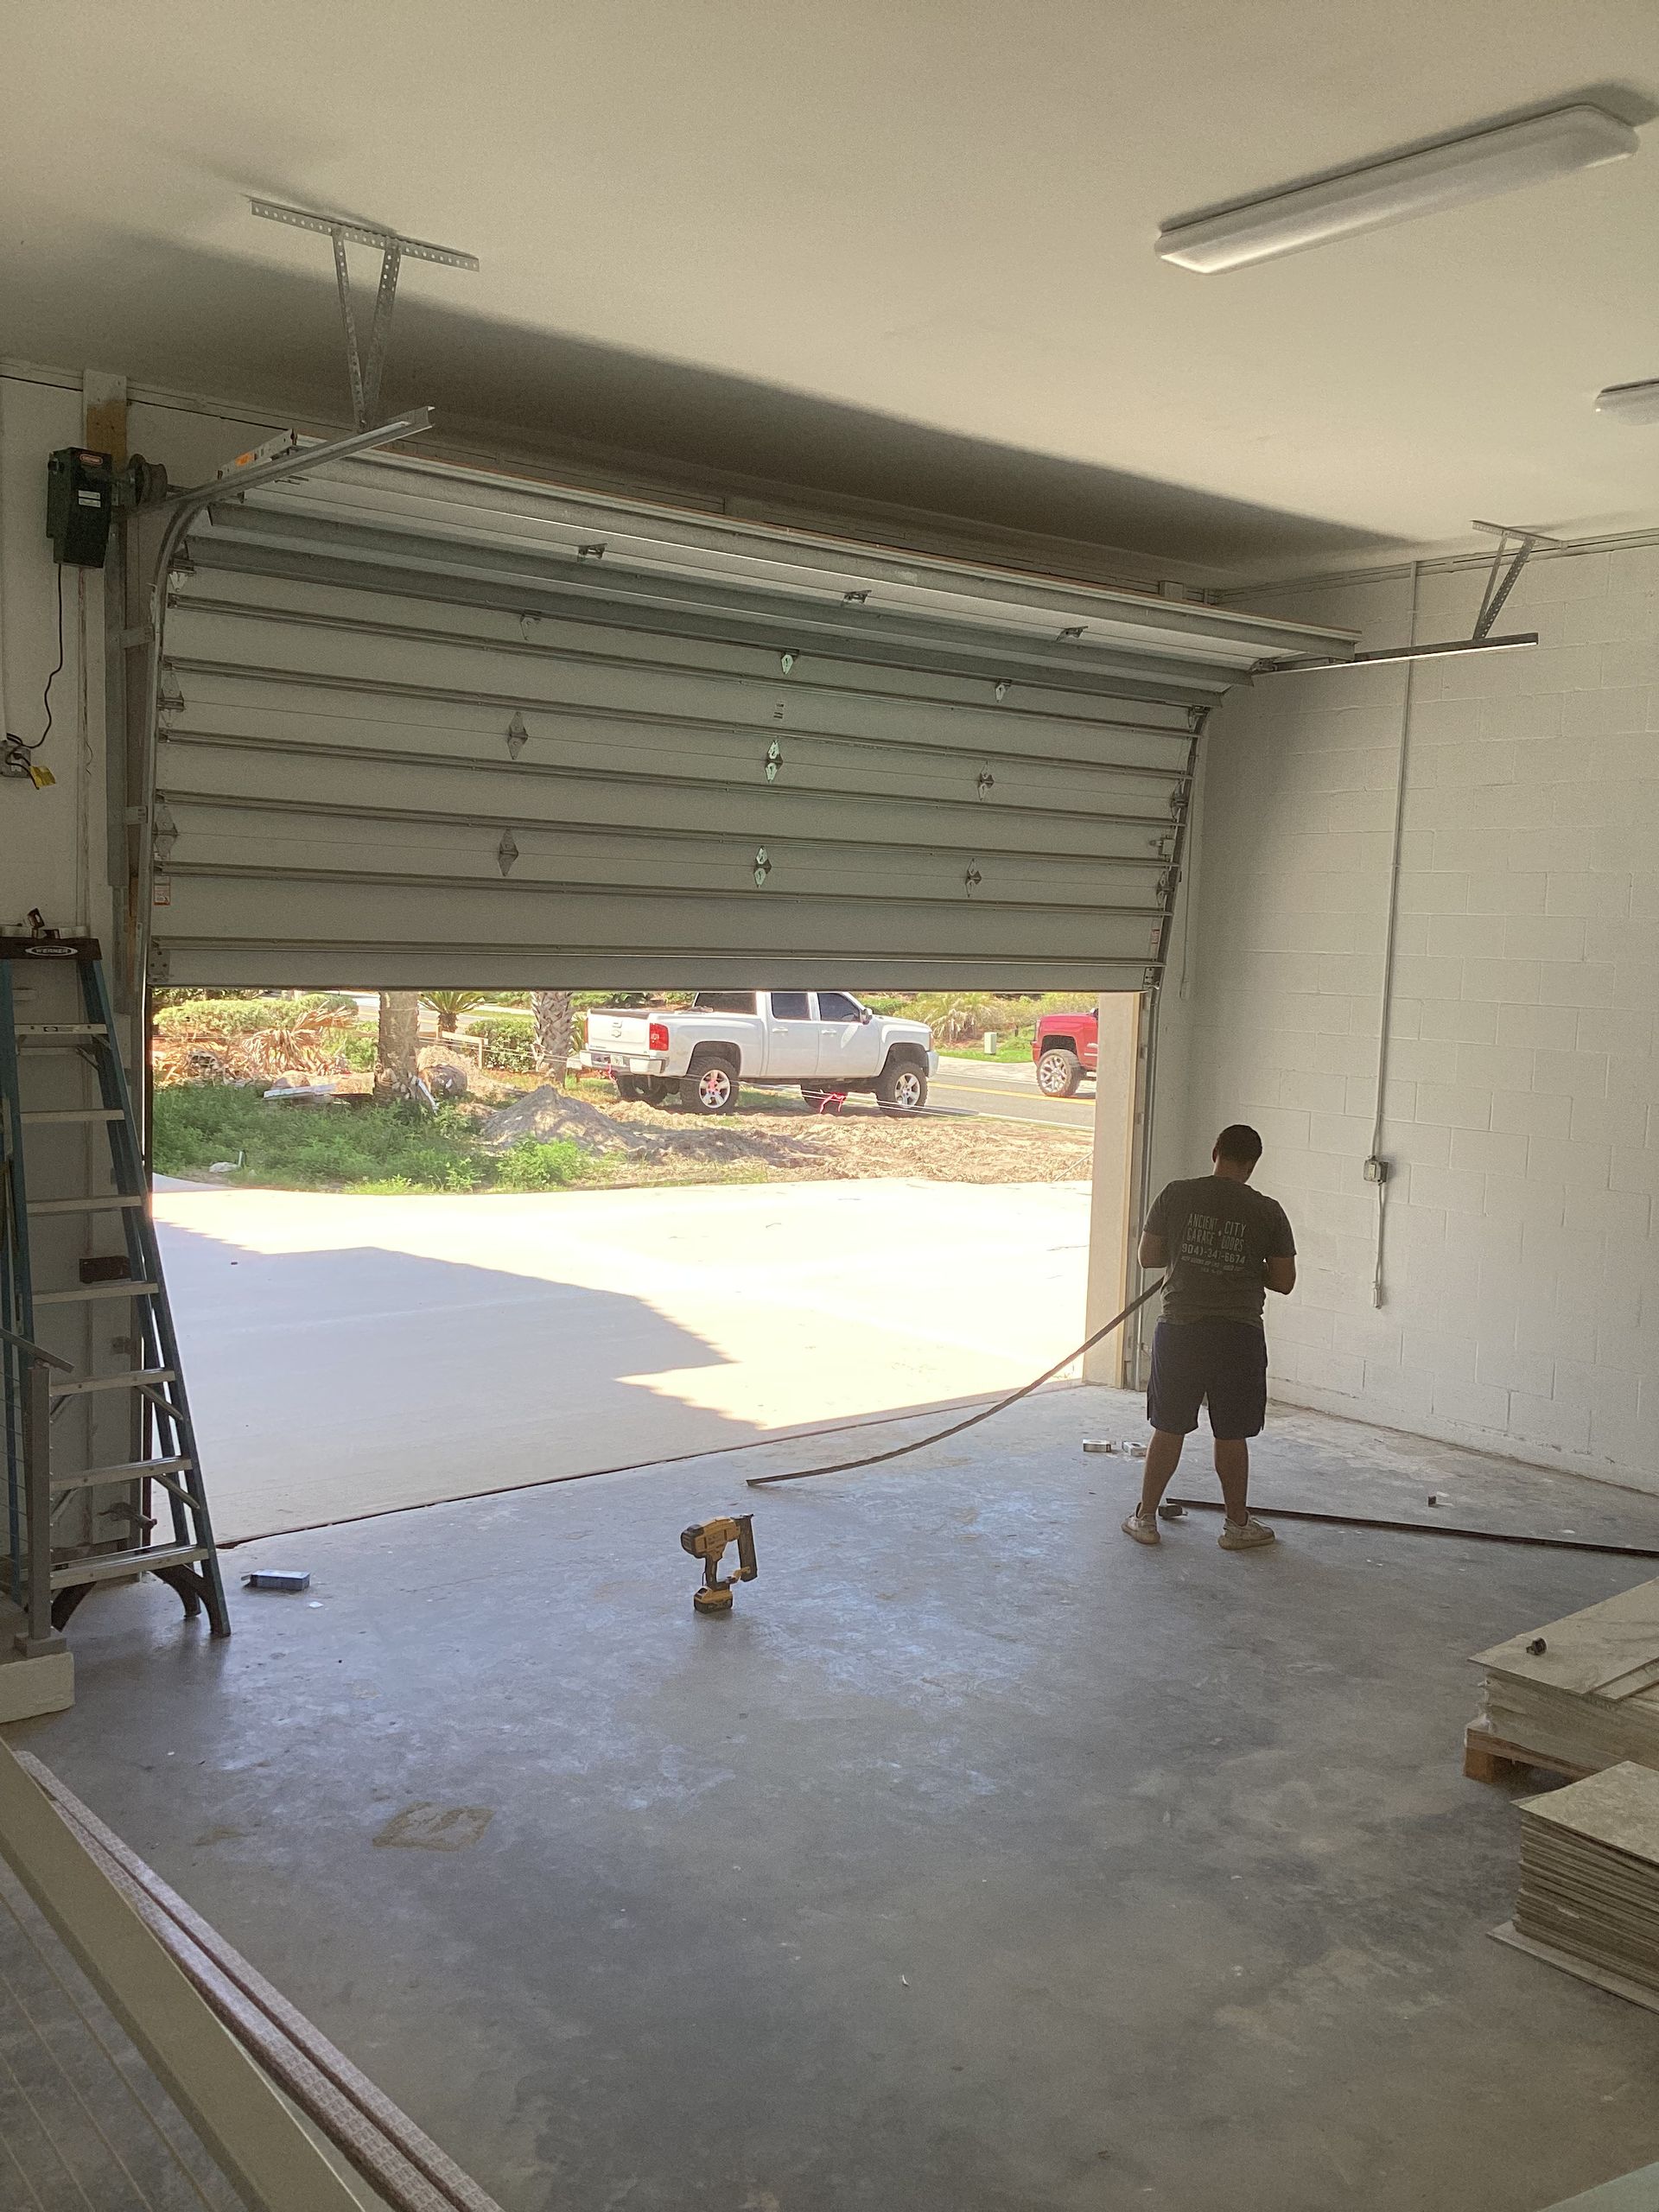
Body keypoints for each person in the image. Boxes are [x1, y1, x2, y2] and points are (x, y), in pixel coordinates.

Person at [1122, 1123, 1295, 1551]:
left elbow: (1148, 1257)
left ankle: (1145, 1519)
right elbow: (1285, 1280)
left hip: (1182, 1328)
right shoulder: (1268, 1210)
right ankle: (1237, 1525)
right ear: (1252, 1166)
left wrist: (1190, 1255)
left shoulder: (1177, 1194)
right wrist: (1242, 1263)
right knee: (1231, 1433)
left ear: (1214, 1151)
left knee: (1169, 1426)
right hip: (1238, 1335)